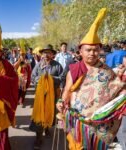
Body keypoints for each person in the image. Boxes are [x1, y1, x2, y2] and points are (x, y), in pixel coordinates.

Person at [56, 8, 126, 150]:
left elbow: (118, 91)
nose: (92, 53)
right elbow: (67, 91)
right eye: (88, 50)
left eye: (96, 50)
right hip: (78, 122)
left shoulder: (106, 71)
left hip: (99, 125)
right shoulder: (74, 69)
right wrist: (61, 102)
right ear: (80, 51)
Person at [29, 44, 64, 149]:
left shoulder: (57, 65)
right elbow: (33, 77)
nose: (46, 55)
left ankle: (47, 128)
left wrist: (50, 78)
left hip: (52, 95)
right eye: (44, 53)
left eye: (49, 53)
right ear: (42, 54)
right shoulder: (38, 65)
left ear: (53, 54)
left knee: (49, 114)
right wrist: (41, 79)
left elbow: (62, 78)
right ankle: (38, 138)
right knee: (39, 116)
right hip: (40, 97)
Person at [14, 40, 31, 105]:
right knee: (18, 90)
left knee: (23, 90)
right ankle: (18, 99)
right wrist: (18, 62)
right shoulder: (17, 61)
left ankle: (21, 100)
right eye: (21, 55)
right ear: (19, 55)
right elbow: (14, 67)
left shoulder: (27, 61)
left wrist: (29, 80)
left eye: (23, 55)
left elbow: (29, 70)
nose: (22, 56)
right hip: (18, 78)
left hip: (25, 79)